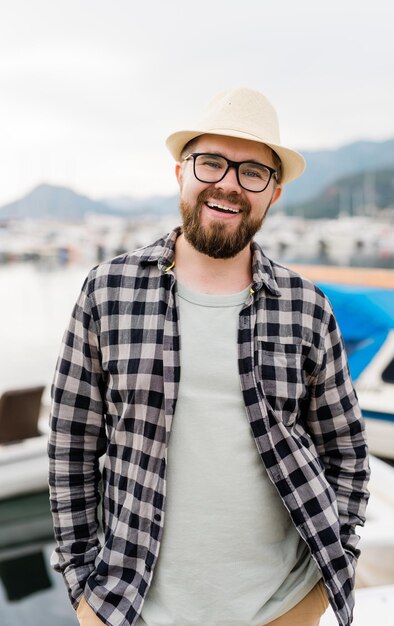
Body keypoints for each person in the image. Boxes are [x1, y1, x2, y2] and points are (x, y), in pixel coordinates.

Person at [48, 87, 370, 626]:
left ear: (274, 193)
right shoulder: (108, 290)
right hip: (134, 609)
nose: (228, 184)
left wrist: (325, 582)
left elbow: (346, 452)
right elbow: (71, 447)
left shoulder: (306, 306)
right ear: (181, 173)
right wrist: (84, 593)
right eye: (212, 163)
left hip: (283, 607)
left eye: (252, 172)